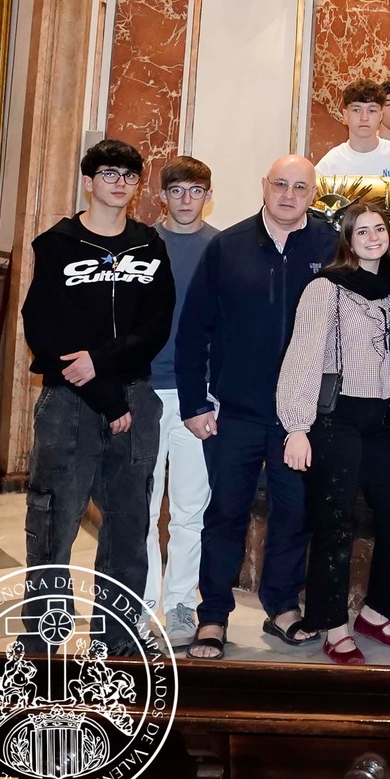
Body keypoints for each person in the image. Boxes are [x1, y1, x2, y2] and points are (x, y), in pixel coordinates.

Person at [176, 154, 338, 660]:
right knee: (225, 514)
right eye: (280, 184)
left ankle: (282, 606)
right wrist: (194, 402)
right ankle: (214, 615)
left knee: (294, 513)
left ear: (314, 193)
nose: (288, 194)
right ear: (263, 186)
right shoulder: (228, 246)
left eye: (300, 187)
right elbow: (194, 330)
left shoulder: (330, 245)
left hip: (301, 419)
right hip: (235, 412)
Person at [21, 139, 174, 653]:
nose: (119, 183)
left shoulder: (148, 244)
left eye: (129, 176)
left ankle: (118, 641)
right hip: (69, 401)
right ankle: (44, 643)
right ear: (88, 181)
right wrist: (106, 397)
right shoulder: (56, 243)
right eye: (109, 173)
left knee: (129, 525)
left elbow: (156, 325)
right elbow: (43, 326)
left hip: (135, 397)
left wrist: (110, 377)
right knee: (53, 523)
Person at [277, 204, 390, 666]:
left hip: (382, 418)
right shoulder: (326, 288)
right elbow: (301, 357)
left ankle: (377, 611)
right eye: (363, 230)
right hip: (334, 417)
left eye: (380, 228)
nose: (374, 236)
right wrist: (297, 428)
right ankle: (333, 623)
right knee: (334, 522)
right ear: (348, 239)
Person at [145, 156, 218, 646]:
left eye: (196, 190)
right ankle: (143, 604)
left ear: (207, 195)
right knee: (142, 508)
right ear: (162, 195)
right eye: (177, 191)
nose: (186, 199)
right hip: (144, 390)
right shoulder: (140, 243)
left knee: (191, 508)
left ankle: (178, 606)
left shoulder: (223, 247)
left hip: (200, 396)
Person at [318, 80, 390, 179]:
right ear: (346, 115)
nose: (364, 117)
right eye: (357, 110)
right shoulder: (329, 165)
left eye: (371, 110)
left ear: (381, 116)